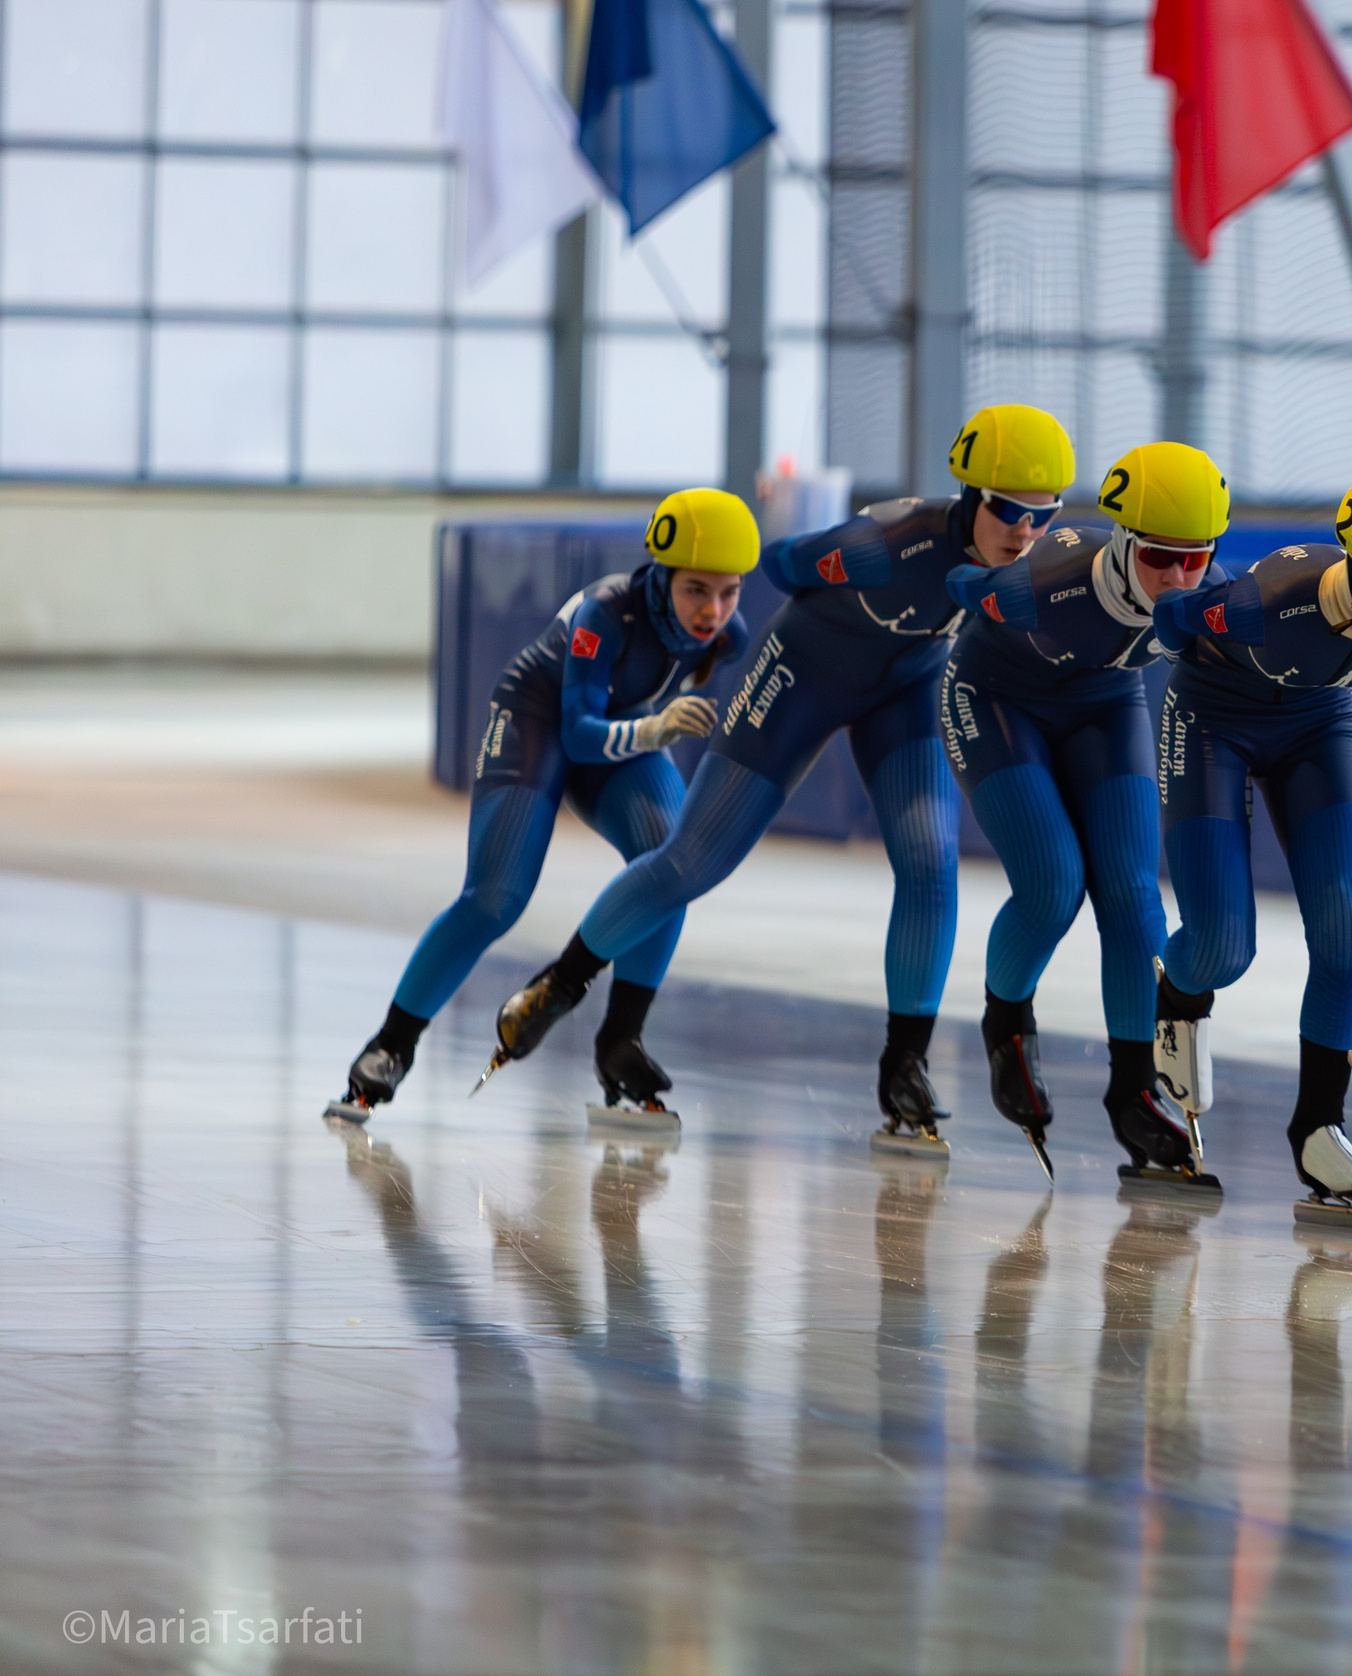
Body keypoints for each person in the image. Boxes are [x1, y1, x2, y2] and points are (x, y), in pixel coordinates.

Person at [482, 405, 1076, 1142]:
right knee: (691, 861)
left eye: (1043, 517)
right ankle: (562, 984)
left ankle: (905, 1065)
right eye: (1010, 512)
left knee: (930, 862)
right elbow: (784, 562)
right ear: (968, 495)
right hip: (804, 673)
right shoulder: (884, 543)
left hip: (905, 690)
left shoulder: (1025, 562)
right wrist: (836, 571)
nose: (1025, 533)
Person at [328, 488, 755, 1123]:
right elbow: (580, 732)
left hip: (621, 727)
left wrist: (646, 728)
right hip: (538, 721)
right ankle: (390, 1045)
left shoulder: (728, 635)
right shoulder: (606, 614)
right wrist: (655, 730)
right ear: (662, 572)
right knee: (495, 898)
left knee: (672, 862)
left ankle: (621, 1041)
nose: (713, 610)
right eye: (696, 589)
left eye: (729, 592)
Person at [1148, 475, 1352, 1224]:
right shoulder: (1266, 602)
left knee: (1350, 930)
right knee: (1224, 945)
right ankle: (1176, 992)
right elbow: (1170, 622)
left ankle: (1318, 1126)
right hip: (1211, 721)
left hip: (1317, 729)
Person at [950, 440, 1227, 1182]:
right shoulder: (1047, 579)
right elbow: (961, 580)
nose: (1176, 579)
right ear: (1125, 543)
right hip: (997, 696)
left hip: (1104, 707)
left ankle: (1133, 1089)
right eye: (1158, 558)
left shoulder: (1210, 594)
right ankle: (1006, 1024)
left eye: (1194, 559)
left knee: (1136, 899)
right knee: (1052, 886)